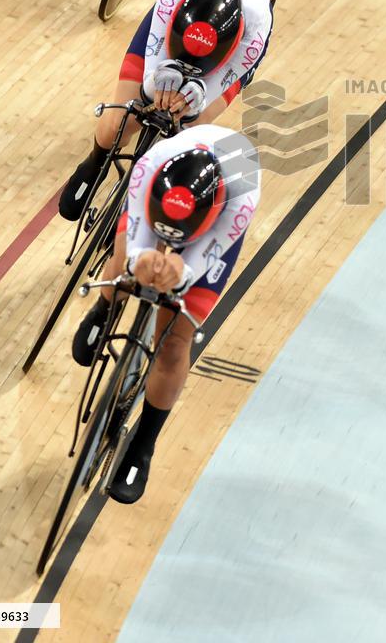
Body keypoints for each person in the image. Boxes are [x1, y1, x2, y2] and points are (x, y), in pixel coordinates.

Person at [71, 124, 261, 504]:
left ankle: (143, 446)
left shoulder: (240, 199)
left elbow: (199, 261)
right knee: (126, 262)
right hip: (156, 199)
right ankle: (104, 306)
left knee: (174, 341)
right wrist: (138, 262)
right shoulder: (149, 165)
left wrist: (179, 275)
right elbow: (136, 246)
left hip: (214, 226)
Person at [58, 0, 272, 221]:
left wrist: (198, 99)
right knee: (121, 118)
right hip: (175, 25)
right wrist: (154, 84)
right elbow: (152, 68)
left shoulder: (256, 27)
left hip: (230, 56)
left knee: (190, 123)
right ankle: (96, 161)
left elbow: (219, 84)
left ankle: (147, 204)